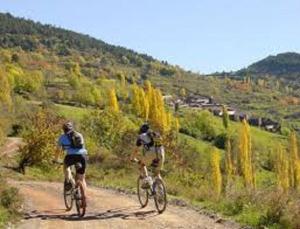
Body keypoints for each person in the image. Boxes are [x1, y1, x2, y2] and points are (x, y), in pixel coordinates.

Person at [55, 121, 88, 206]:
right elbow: (83, 146)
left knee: (66, 167)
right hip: (82, 157)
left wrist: (55, 159)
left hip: (70, 157)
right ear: (72, 128)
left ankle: (68, 180)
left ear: (63, 130)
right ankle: (84, 198)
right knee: (82, 178)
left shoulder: (62, 137)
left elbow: (58, 150)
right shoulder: (79, 135)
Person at [131, 123, 165, 188]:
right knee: (157, 173)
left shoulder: (141, 136)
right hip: (161, 154)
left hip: (151, 154)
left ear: (141, 130)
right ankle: (161, 192)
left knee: (142, 164)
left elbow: (136, 150)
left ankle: (147, 180)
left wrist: (132, 158)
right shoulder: (155, 134)